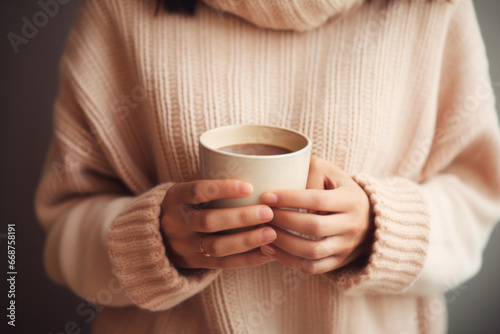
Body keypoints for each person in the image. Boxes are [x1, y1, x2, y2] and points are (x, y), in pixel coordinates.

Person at [35, 0, 500, 333]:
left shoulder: (433, 10)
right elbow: (64, 231)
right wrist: (154, 241)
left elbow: (477, 201)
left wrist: (379, 229)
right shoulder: (120, 10)